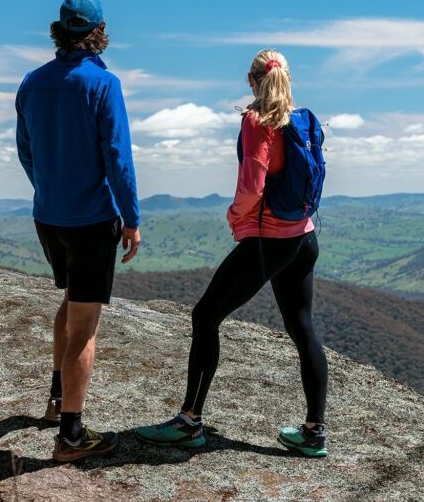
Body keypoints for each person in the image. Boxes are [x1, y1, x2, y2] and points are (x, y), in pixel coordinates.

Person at [134, 49, 329, 457]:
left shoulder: (258, 121)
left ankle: (189, 422)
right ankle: (314, 433)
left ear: (250, 80)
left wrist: (234, 215)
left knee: (205, 315)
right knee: (303, 328)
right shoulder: (305, 119)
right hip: (305, 237)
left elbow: (253, 185)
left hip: (268, 240)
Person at [15, 0, 142, 463]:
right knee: (85, 325)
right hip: (92, 220)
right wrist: (131, 218)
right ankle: (70, 435)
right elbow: (118, 158)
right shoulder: (103, 85)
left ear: (59, 29)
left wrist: (49, 189)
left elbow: (26, 152)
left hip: (48, 215)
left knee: (70, 301)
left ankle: (55, 400)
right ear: (99, 32)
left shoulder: (31, 83)